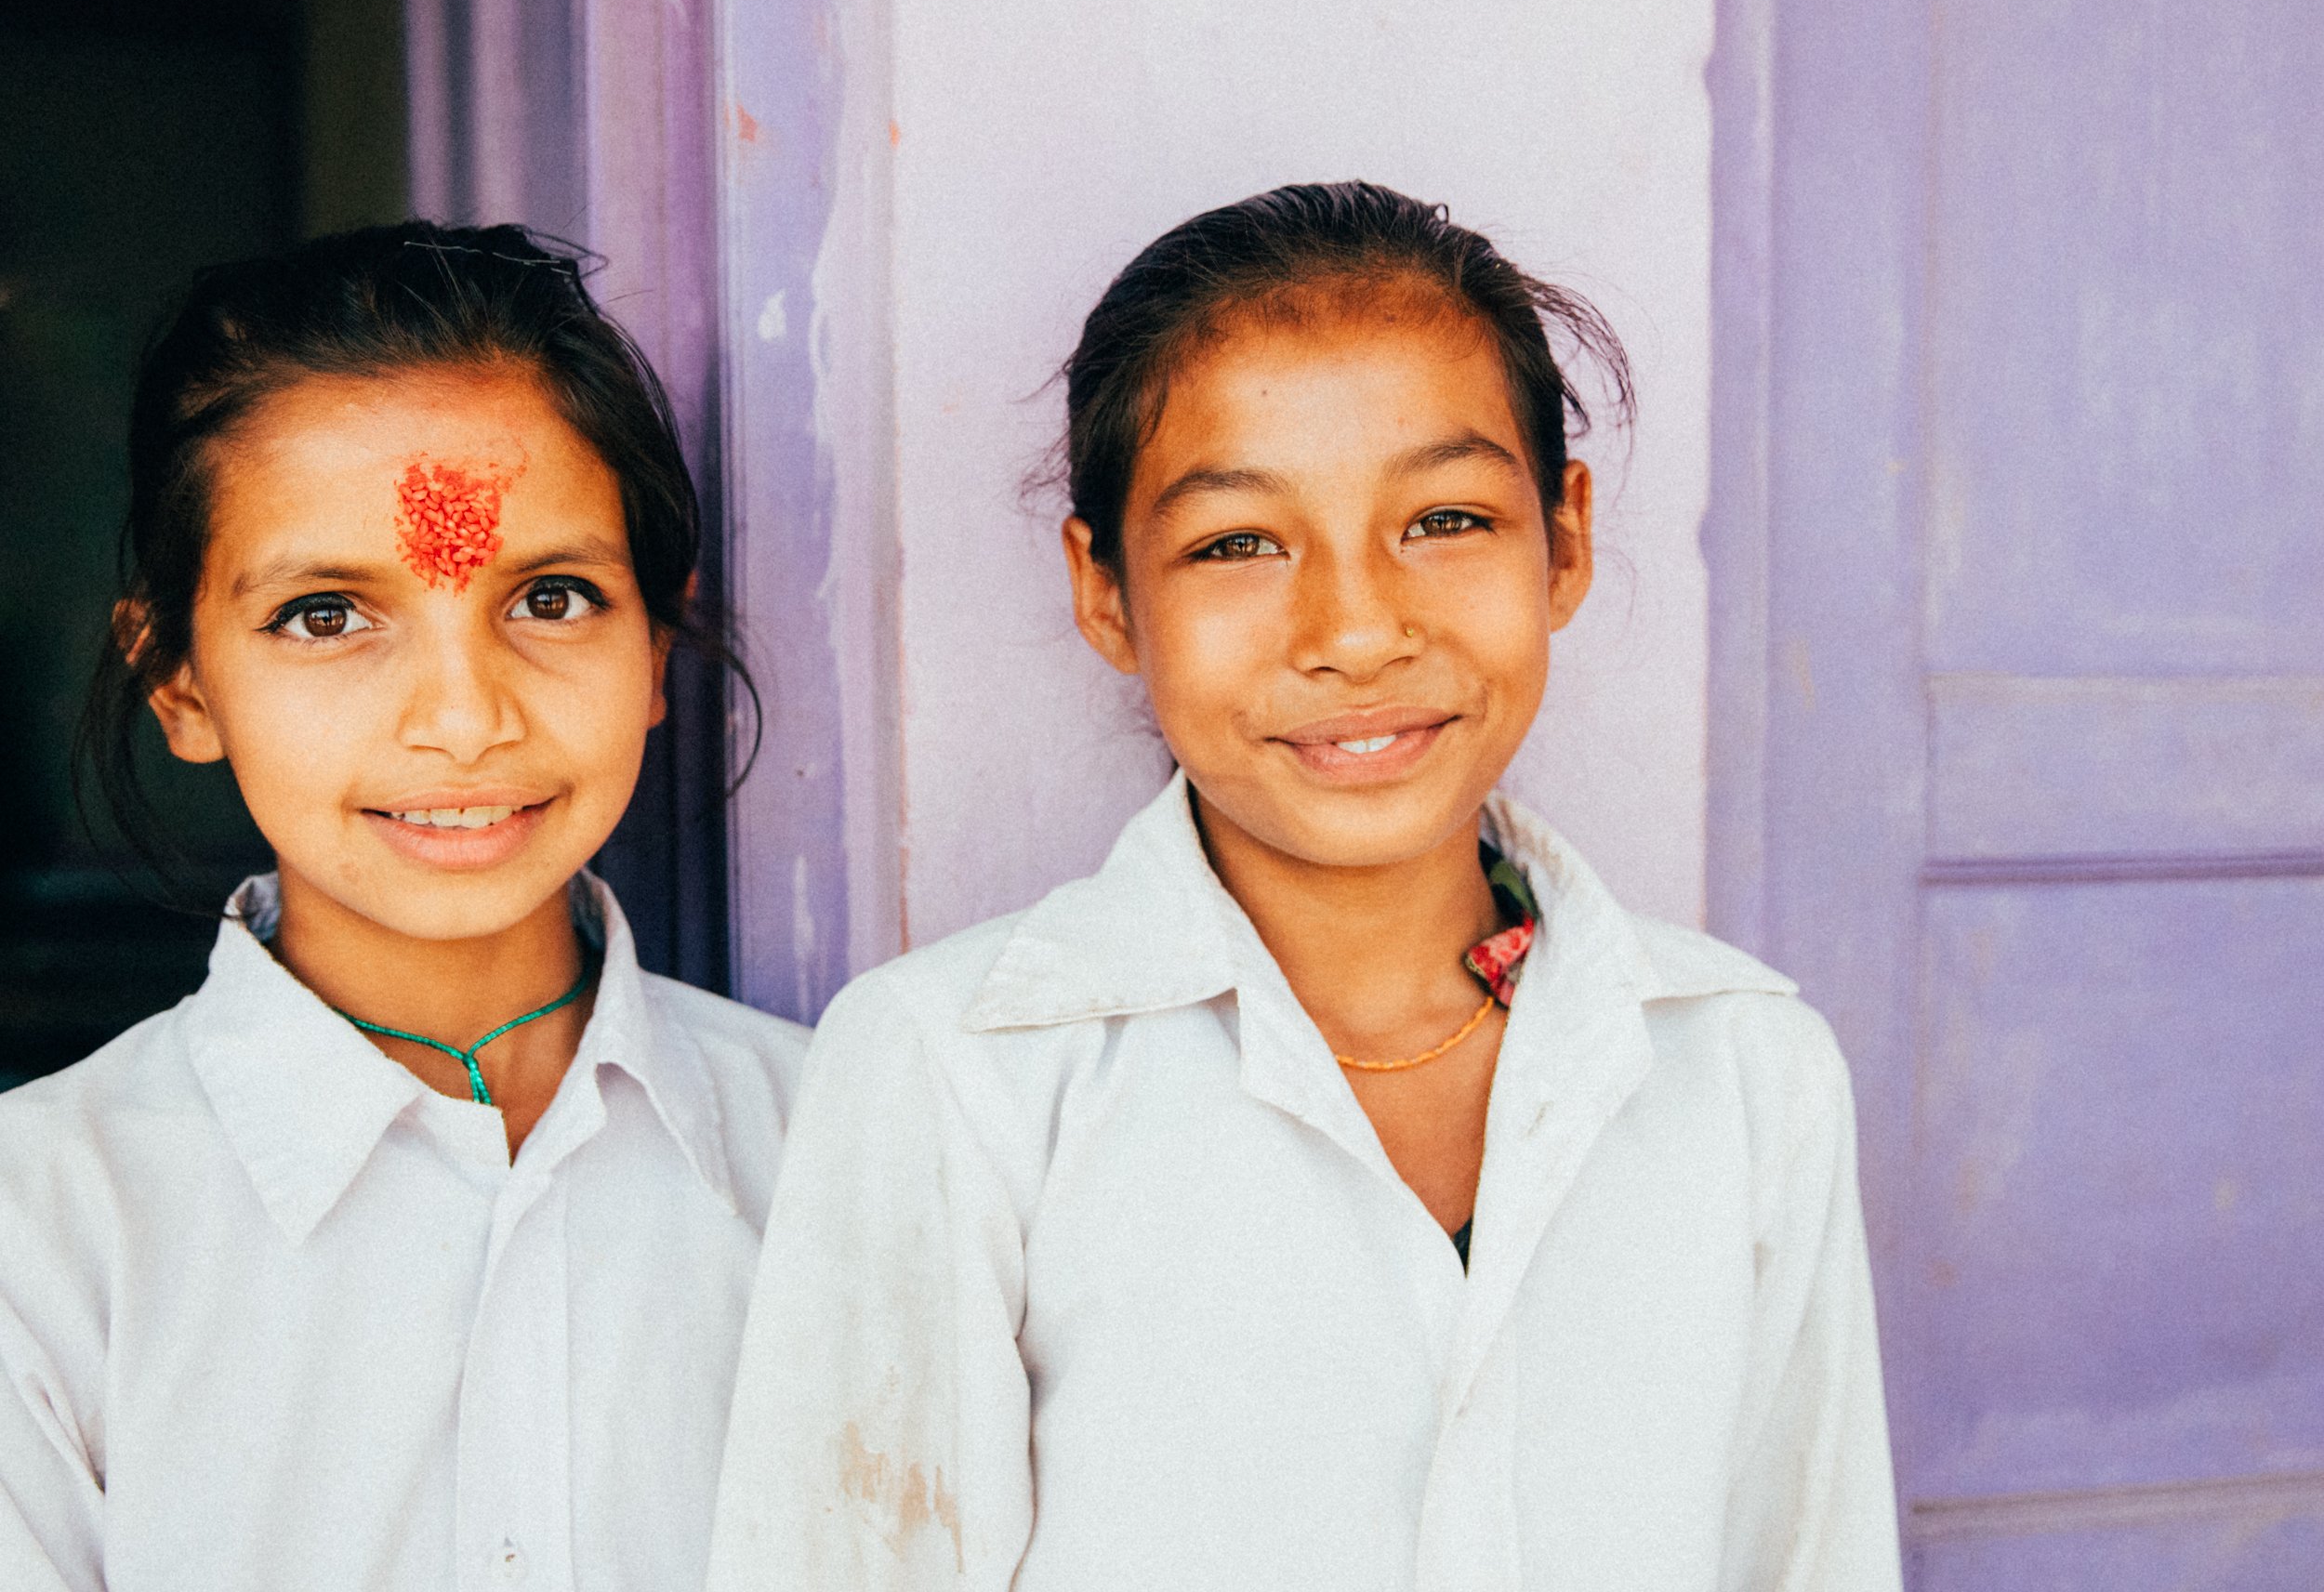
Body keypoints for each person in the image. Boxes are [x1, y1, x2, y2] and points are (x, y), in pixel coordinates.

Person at [709, 182, 1902, 1590]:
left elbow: (1808, 1558)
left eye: (1447, 520)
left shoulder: (1745, 1070)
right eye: (1237, 543)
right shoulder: (962, 1077)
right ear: (1104, 592)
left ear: (1564, 540)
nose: (1354, 629)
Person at [0, 225, 810, 1591]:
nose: (462, 720)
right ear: (180, 682)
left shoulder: (839, 1151)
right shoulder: (46, 1226)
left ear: (656, 646)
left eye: (552, 598)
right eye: (328, 616)